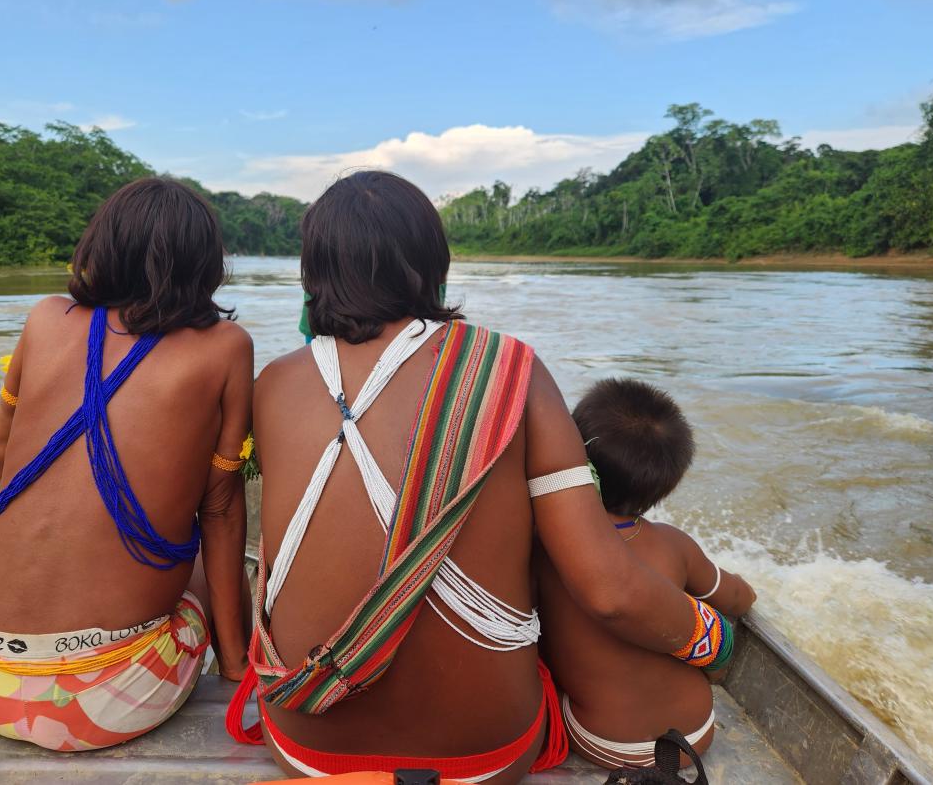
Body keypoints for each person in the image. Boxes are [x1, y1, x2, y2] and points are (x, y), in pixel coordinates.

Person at [227, 171, 734, 785]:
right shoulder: (513, 368)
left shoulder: (275, 382)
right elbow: (609, 591)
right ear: (432, 264)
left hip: (309, 751)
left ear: (314, 275)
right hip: (483, 761)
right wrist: (717, 637)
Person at [0, 177, 253, 752]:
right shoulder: (225, 346)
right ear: (204, 264)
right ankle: (236, 666)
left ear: (101, 245)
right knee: (198, 555)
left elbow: (1, 454)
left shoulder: (44, 318)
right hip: (110, 696)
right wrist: (236, 663)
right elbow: (219, 510)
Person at [538, 378, 756, 769]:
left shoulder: (545, 544)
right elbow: (738, 599)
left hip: (606, 742)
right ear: (664, 487)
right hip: (695, 734)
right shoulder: (675, 544)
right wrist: (746, 590)